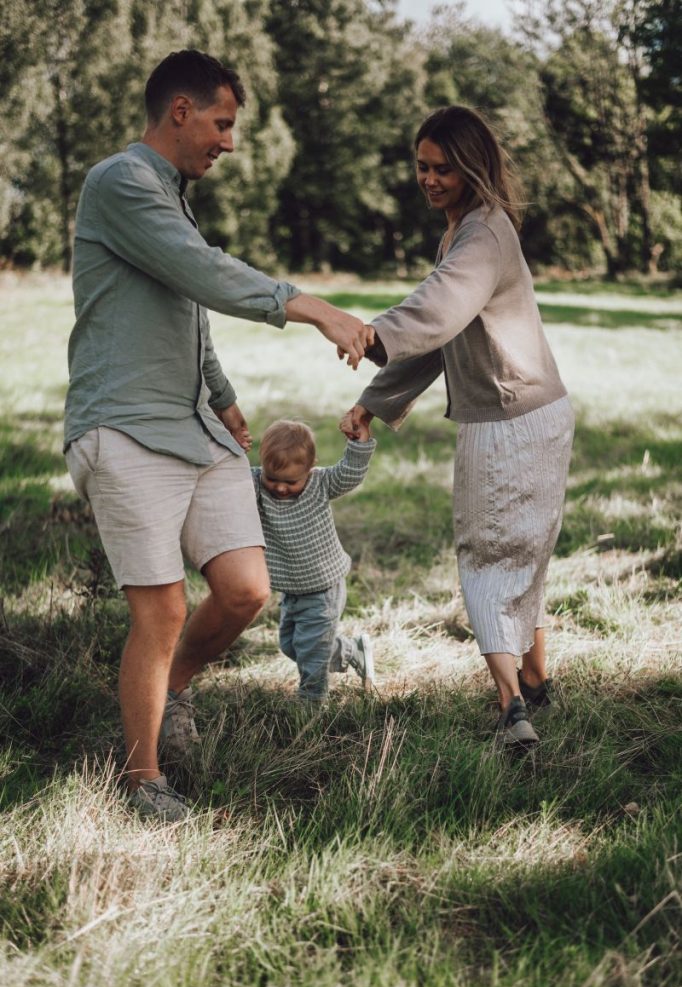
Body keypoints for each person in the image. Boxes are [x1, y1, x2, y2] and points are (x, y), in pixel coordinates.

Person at [64, 49, 372, 822]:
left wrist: (225, 398)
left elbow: (186, 304)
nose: (229, 142)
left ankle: (170, 694)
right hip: (124, 426)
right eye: (223, 123)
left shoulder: (168, 194)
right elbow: (200, 271)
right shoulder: (121, 182)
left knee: (245, 590)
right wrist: (314, 308)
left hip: (196, 428)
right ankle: (141, 780)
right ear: (181, 111)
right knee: (162, 610)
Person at [341, 105, 574, 745]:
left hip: (508, 424)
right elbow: (444, 341)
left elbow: (437, 311)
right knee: (524, 559)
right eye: (422, 166)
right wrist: (376, 399)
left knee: (486, 559)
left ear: (473, 167)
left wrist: (373, 334)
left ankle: (511, 714)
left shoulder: (481, 237)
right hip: (540, 414)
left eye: (444, 168)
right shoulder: (470, 231)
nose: (431, 178)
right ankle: (534, 683)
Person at [251, 420, 376, 702]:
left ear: (310, 468)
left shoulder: (320, 483)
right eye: (273, 479)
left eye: (291, 481)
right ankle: (352, 651)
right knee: (291, 646)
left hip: (323, 588)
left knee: (312, 652)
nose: (280, 488)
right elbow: (228, 480)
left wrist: (359, 445)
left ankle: (311, 703)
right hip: (292, 590)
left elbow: (350, 473)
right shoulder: (256, 485)